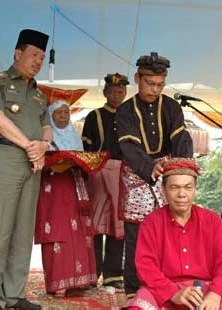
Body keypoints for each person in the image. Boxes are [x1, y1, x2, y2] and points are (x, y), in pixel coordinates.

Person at [0, 29, 52, 309]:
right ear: (17, 54)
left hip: (32, 164)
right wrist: (30, 146)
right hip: (4, 158)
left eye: (42, 58)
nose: (38, 62)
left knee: (23, 233)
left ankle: (14, 295)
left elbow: (47, 127)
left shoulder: (39, 95)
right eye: (33, 55)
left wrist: (43, 145)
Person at [115, 52, 193, 298]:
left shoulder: (171, 106)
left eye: (160, 85)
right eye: (150, 83)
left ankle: (166, 284)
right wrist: (149, 167)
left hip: (167, 174)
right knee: (136, 236)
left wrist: (182, 168)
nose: (155, 89)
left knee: (168, 230)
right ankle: (133, 289)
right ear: (137, 78)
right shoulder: (125, 110)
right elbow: (129, 146)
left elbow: (181, 139)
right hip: (136, 175)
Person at [126, 158, 222, 309]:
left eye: (188, 187)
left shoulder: (213, 221)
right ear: (163, 190)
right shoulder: (150, 223)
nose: (181, 194)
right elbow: (146, 266)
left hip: (207, 290)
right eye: (174, 187)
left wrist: (215, 294)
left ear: (195, 189)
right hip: (163, 292)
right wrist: (172, 293)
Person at [35, 100, 97, 295]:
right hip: (52, 190)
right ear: (50, 117)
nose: (63, 116)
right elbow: (38, 161)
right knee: (57, 233)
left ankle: (77, 282)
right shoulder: (43, 138)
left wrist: (79, 163)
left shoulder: (75, 138)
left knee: (77, 234)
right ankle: (57, 283)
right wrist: (56, 163)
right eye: (58, 113)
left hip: (74, 188)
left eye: (66, 113)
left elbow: (85, 164)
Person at [82, 73, 129, 289]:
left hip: (123, 171)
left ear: (126, 93)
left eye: (120, 92)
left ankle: (114, 275)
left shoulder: (130, 115)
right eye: (112, 91)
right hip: (99, 170)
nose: (116, 95)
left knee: (118, 223)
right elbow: (87, 148)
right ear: (105, 93)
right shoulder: (95, 116)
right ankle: (93, 272)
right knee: (96, 222)